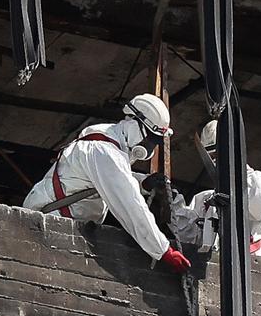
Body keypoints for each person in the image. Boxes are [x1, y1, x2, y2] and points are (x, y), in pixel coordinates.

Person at [25, 93, 190, 273]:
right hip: (51, 224)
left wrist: (143, 183)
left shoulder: (106, 143)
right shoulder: (105, 151)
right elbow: (130, 204)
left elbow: (109, 178)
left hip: (61, 224)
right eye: (151, 137)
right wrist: (163, 250)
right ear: (134, 124)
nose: (151, 145)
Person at [173, 121, 261, 257]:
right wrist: (171, 203)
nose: (215, 161)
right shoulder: (205, 198)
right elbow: (189, 235)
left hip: (250, 264)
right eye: (212, 156)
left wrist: (234, 193)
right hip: (213, 265)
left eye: (219, 154)